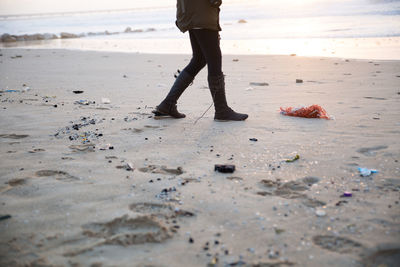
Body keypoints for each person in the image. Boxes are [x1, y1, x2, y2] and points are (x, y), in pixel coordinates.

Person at [153, 0, 248, 121]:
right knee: (214, 59)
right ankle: (221, 110)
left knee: (199, 59)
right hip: (202, 15)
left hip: (191, 15)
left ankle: (168, 104)